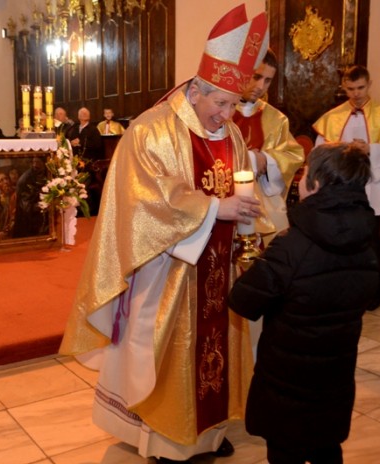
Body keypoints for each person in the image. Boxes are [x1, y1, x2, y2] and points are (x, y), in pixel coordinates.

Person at [59, 5, 268, 462]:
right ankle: (165, 439)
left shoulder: (229, 133)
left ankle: (209, 431)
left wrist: (246, 214)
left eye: (234, 105)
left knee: (219, 347)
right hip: (167, 268)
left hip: (218, 265)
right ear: (195, 91)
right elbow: (150, 199)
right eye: (220, 103)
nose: (227, 115)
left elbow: (239, 180)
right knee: (166, 351)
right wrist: (217, 207)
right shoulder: (152, 130)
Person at [229, 143, 380, 464]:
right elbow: (372, 296)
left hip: (288, 383)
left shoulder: (291, 244)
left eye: (305, 173)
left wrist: (256, 266)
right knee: (327, 448)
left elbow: (243, 301)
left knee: (286, 452)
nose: (299, 179)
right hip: (335, 376)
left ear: (316, 184)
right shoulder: (367, 238)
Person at [313, 65, 380, 309]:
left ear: (369, 84)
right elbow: (319, 151)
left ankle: (372, 296)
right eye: (350, 89)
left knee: (370, 245)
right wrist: (342, 150)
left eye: (360, 88)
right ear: (344, 87)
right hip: (340, 189)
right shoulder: (333, 117)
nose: (356, 94)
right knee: (341, 242)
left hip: (372, 189)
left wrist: (370, 149)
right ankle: (343, 291)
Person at [233, 49, 305, 244]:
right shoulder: (220, 111)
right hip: (226, 199)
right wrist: (247, 159)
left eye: (267, 80)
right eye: (256, 77)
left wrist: (266, 159)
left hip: (264, 201)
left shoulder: (276, 118)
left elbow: (294, 155)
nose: (260, 86)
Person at [13, 156, 49, 238]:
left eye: (38, 162)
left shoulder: (48, 173)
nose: (35, 165)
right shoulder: (25, 179)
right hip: (29, 218)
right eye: (34, 162)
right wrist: (39, 205)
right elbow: (24, 204)